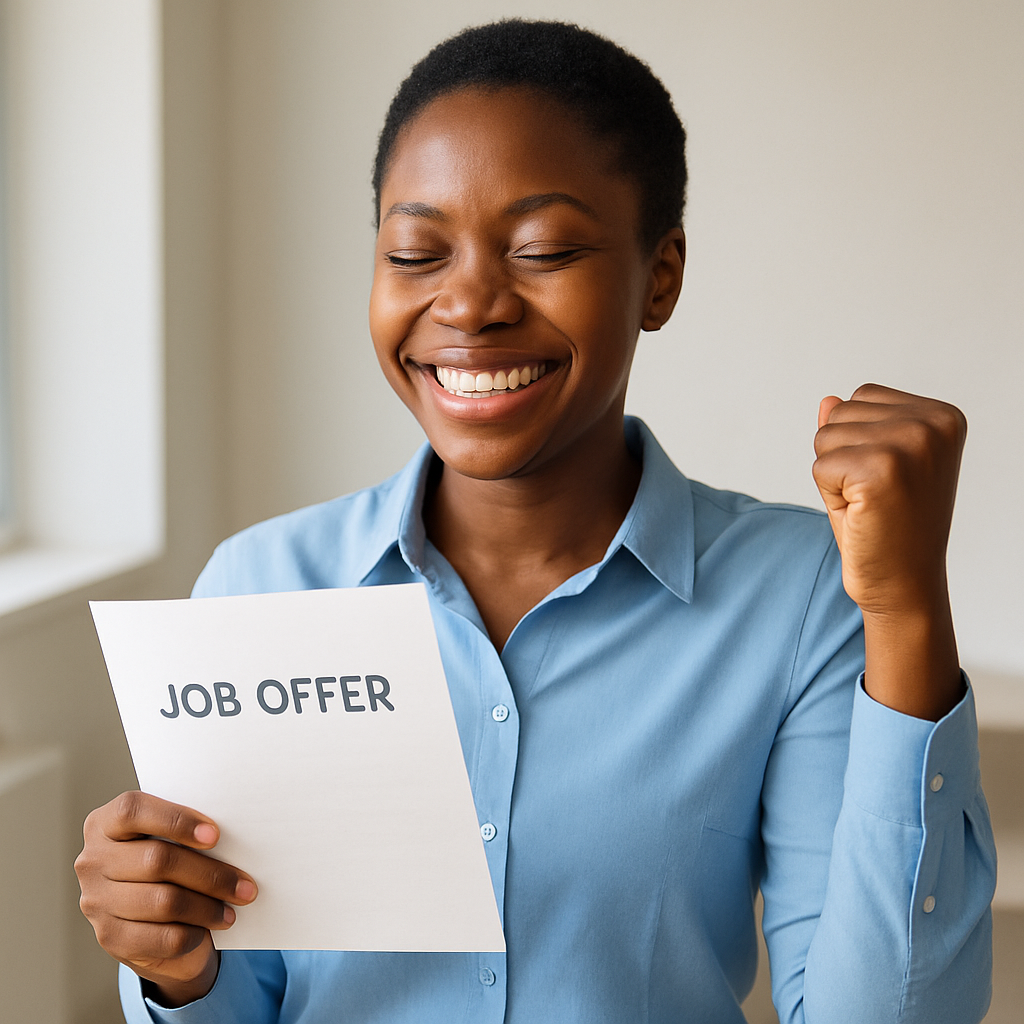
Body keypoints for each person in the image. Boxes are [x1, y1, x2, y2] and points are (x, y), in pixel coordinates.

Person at [75, 19, 995, 1024]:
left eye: (543, 248)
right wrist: (172, 966)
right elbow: (231, 1003)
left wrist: (905, 602)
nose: (468, 303)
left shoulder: (803, 592)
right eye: (416, 251)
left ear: (660, 275)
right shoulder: (259, 587)